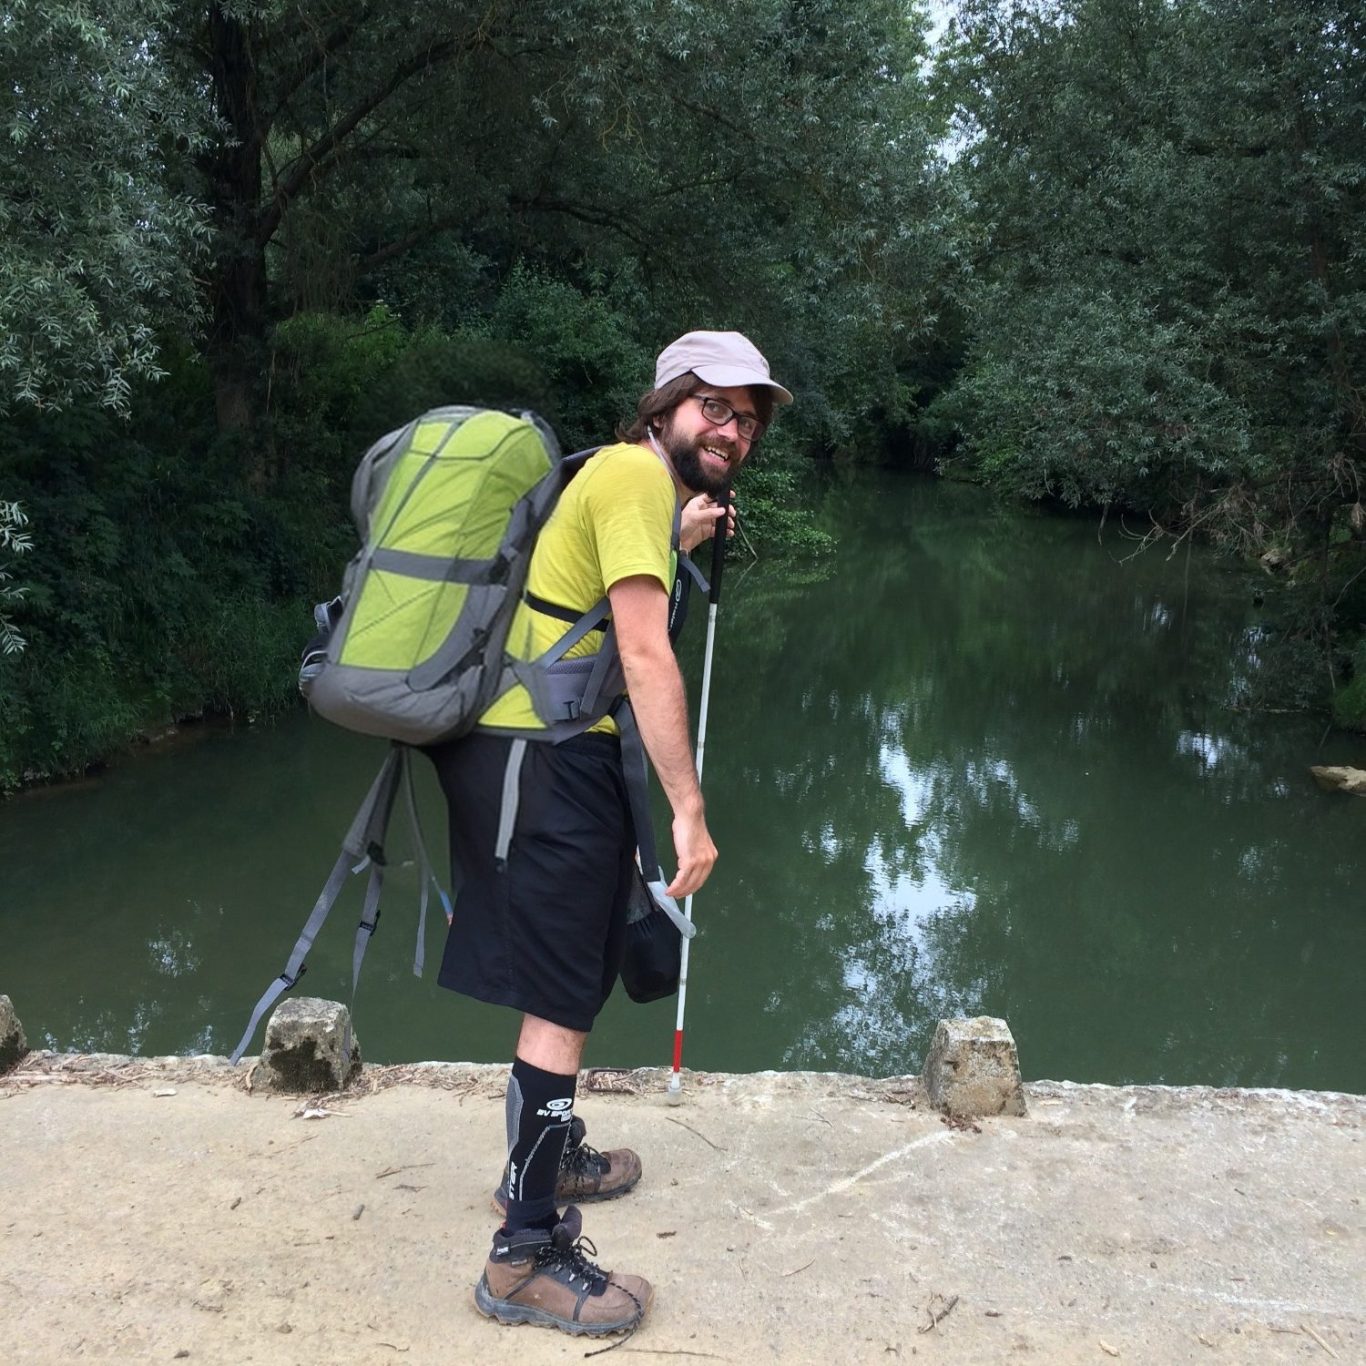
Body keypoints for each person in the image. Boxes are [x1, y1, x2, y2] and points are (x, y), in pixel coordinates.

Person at [425, 330, 792, 1337]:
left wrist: (675, 541)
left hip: (536, 752)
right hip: (545, 760)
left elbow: (579, 596)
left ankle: (545, 1159)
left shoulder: (627, 486)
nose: (733, 431)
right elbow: (639, 649)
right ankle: (524, 1252)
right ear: (667, 403)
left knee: (573, 971)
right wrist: (689, 810)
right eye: (715, 407)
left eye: (747, 420)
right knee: (559, 993)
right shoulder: (635, 474)